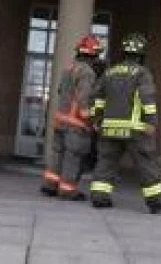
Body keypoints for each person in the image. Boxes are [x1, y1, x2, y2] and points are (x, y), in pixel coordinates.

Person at [88, 32, 161, 214]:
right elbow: (147, 98)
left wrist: (97, 119)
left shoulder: (109, 72)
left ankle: (99, 196)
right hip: (133, 128)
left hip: (109, 127)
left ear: (124, 53)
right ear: (141, 55)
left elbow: (97, 97)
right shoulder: (142, 73)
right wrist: (151, 121)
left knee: (106, 161)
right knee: (145, 162)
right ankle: (156, 199)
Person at [40, 34, 103, 200]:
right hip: (76, 123)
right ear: (93, 55)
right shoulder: (87, 72)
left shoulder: (68, 68)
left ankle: (50, 185)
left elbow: (61, 91)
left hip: (61, 120)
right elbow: (84, 98)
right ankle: (67, 190)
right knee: (73, 157)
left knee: (57, 153)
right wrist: (92, 121)